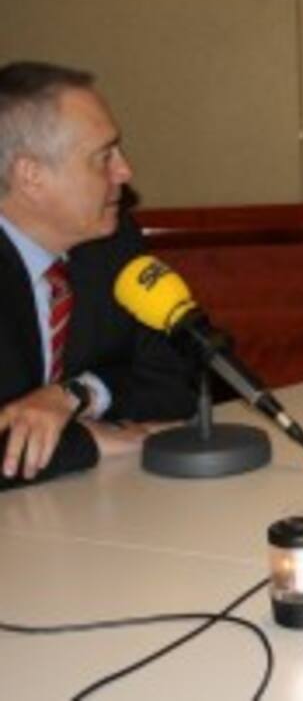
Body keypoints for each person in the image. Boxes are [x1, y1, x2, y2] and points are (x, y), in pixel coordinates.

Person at [0, 61, 196, 491]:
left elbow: (178, 383)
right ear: (31, 176)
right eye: (103, 157)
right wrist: (87, 441)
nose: (125, 172)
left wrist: (76, 394)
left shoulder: (111, 242)